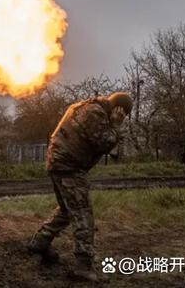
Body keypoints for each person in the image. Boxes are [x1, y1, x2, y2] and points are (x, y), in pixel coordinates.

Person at [27, 92, 133, 282]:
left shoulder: (85, 106)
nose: (121, 118)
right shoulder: (95, 113)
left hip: (60, 162)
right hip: (69, 166)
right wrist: (116, 126)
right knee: (83, 214)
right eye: (123, 114)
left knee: (67, 210)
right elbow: (104, 142)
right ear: (119, 110)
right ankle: (84, 266)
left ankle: (40, 242)